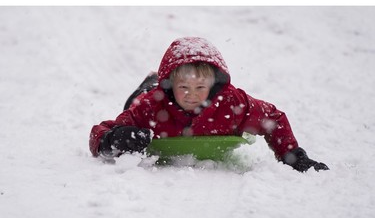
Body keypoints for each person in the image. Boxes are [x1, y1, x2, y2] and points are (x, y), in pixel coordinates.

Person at [89, 37, 329, 172]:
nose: (191, 96)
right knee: (137, 98)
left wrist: (293, 156)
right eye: (183, 87)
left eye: (200, 88)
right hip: (148, 95)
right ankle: (151, 81)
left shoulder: (232, 103)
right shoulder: (151, 106)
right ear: (171, 85)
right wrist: (114, 140)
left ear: (214, 85)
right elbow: (100, 133)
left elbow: (273, 120)